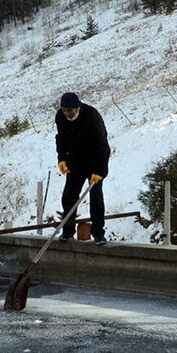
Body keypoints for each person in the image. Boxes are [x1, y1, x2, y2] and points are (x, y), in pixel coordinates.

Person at [54, 92, 110, 245]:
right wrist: (62, 159)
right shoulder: (60, 117)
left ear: (77, 108)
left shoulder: (92, 116)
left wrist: (99, 171)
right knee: (69, 196)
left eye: (70, 110)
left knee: (96, 197)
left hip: (94, 161)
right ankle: (67, 231)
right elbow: (61, 139)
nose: (67, 113)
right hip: (75, 161)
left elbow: (102, 146)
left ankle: (98, 233)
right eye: (64, 110)